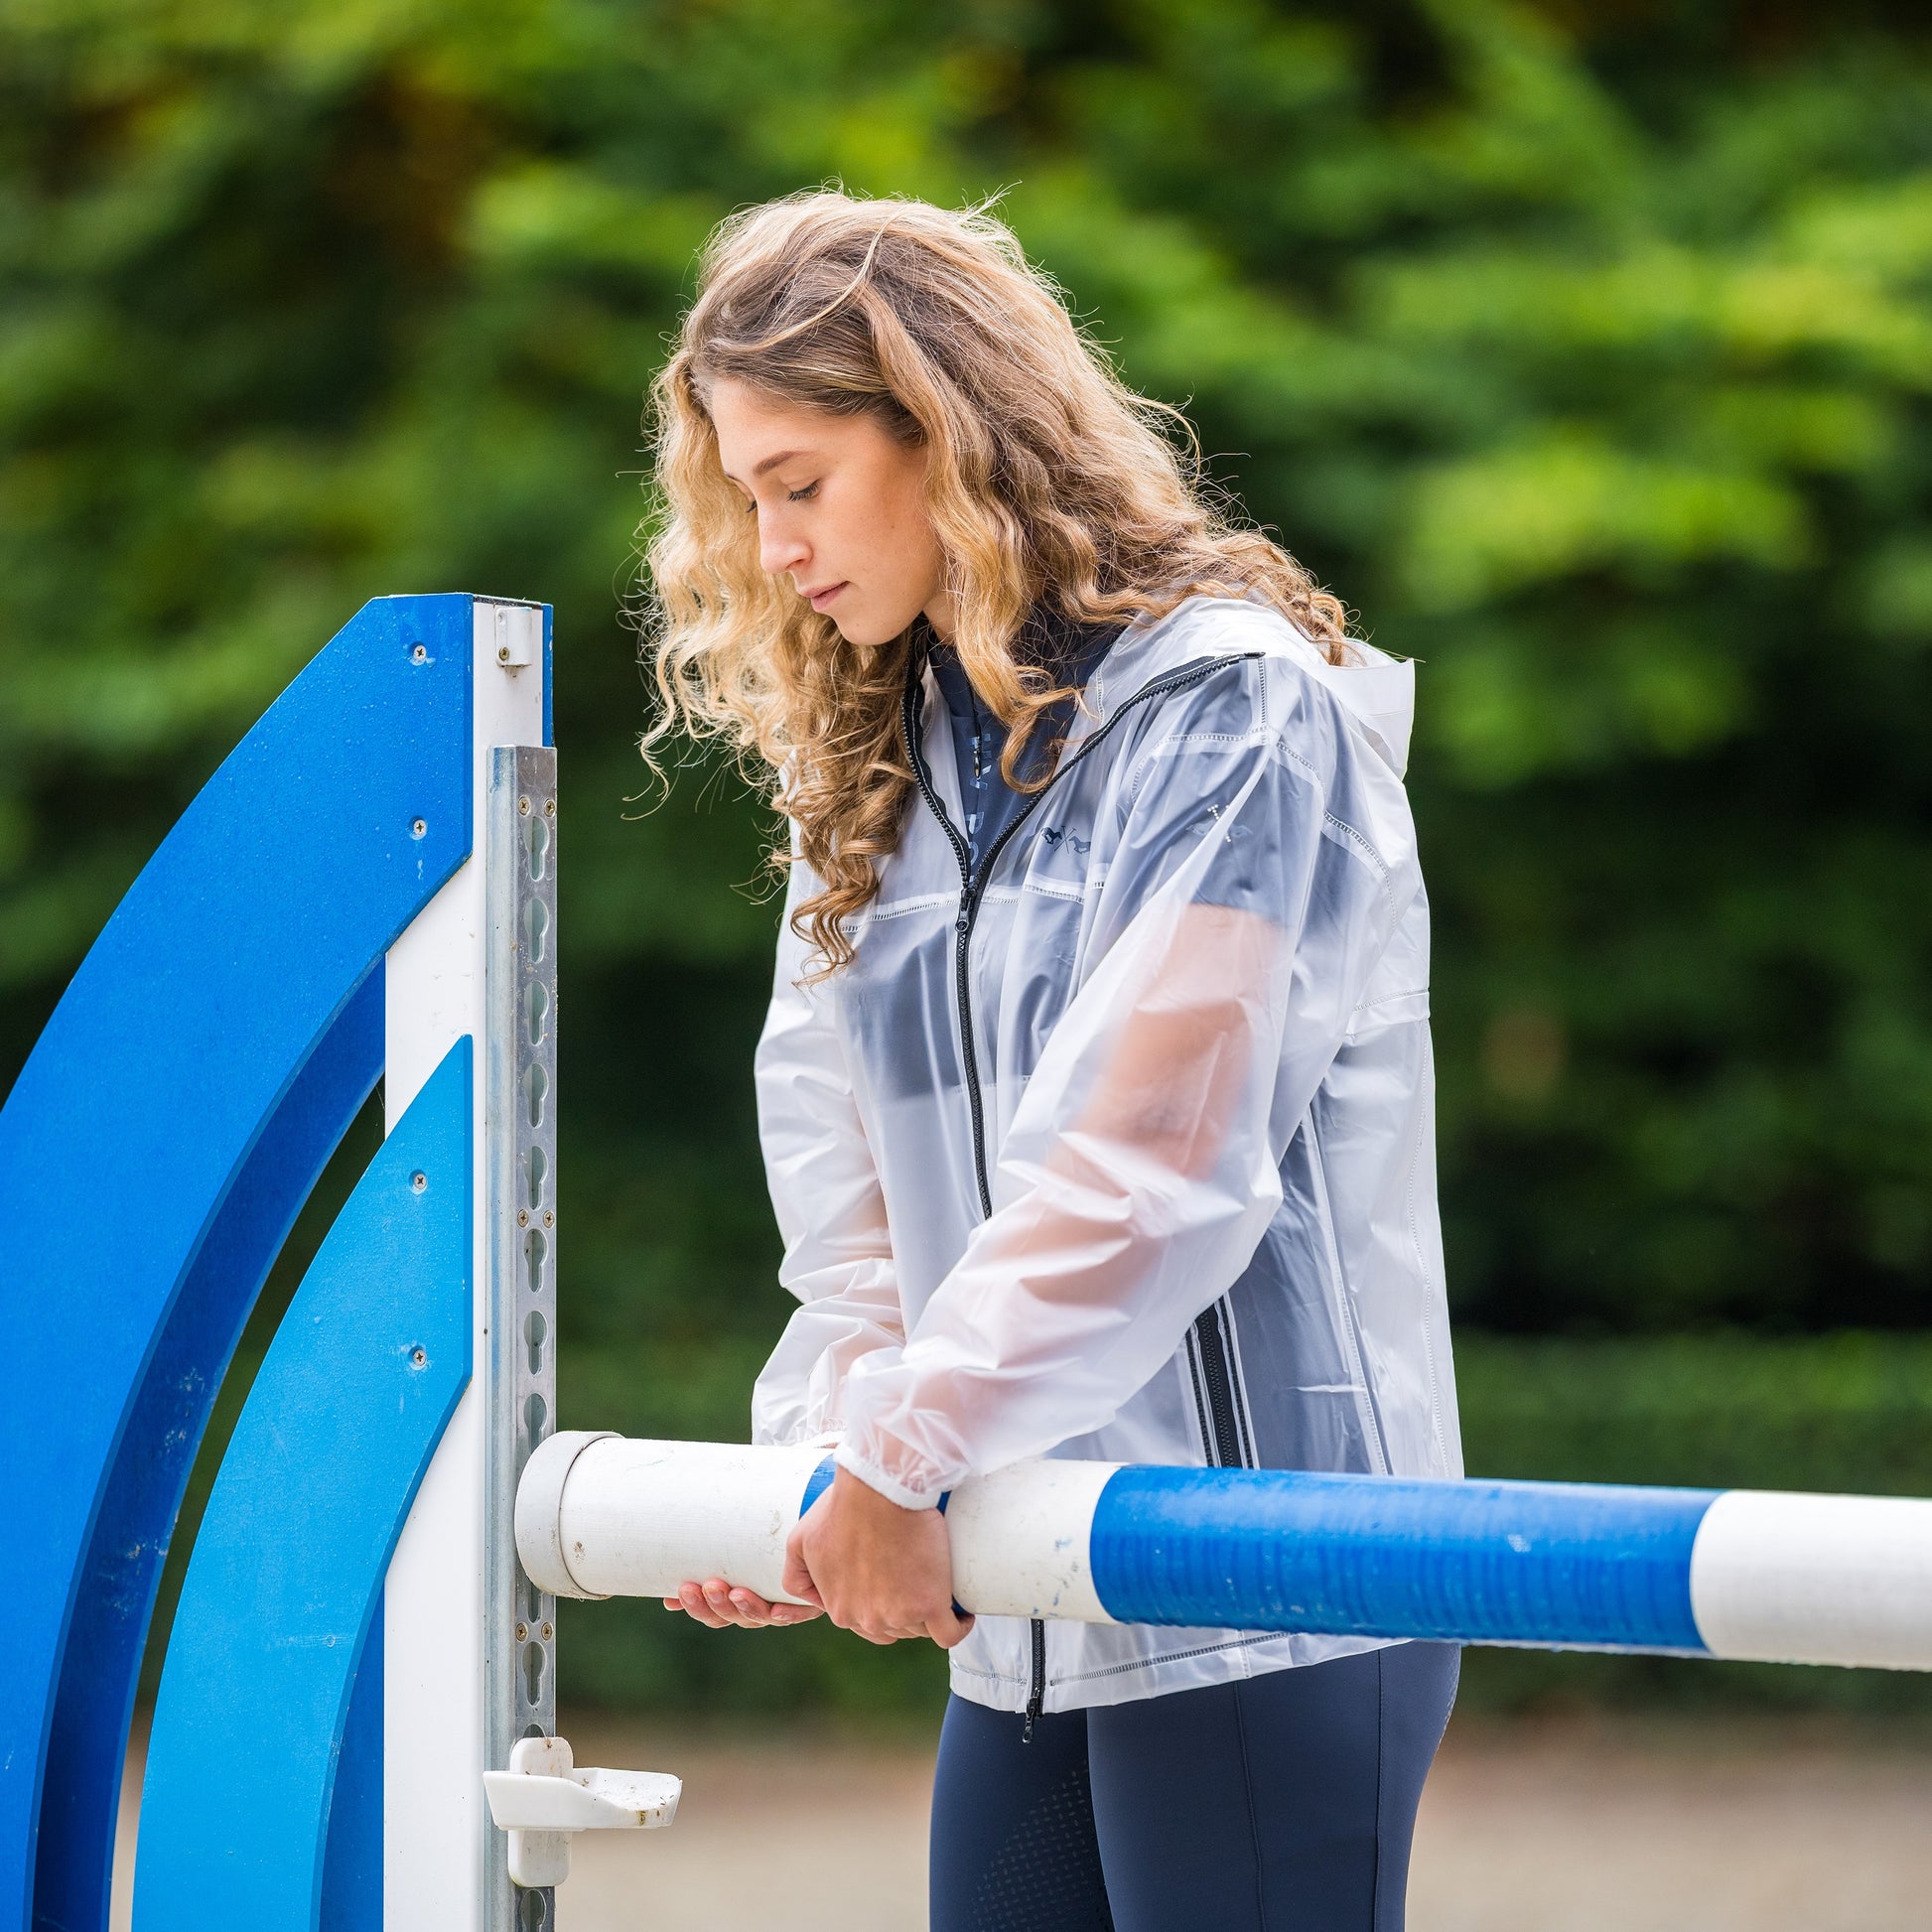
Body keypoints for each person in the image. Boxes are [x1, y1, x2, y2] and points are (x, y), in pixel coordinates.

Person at [639, 190, 1462, 1932]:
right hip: (1021, 1586)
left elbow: (1149, 1167)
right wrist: (814, 1468)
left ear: (945, 428)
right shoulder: (881, 762)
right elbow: (849, 1197)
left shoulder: (1233, 708)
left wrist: (895, 1461)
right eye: (743, 497)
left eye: (799, 483)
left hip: (1257, 1575)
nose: (771, 546)